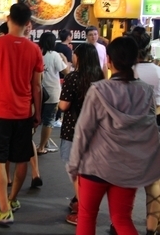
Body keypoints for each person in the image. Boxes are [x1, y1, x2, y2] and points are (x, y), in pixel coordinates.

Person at [68, 37, 160, 235]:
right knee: (122, 219)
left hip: (95, 166)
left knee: (87, 216)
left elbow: (83, 130)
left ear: (109, 60)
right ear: (136, 59)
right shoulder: (146, 91)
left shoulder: (99, 90)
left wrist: (73, 164)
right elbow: (150, 129)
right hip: (127, 170)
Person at [0, 3, 43, 224]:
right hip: (24, 112)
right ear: (28, 23)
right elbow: (37, 86)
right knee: (21, 159)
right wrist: (38, 112)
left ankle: (3, 209)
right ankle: (13, 199)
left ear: (8, 18)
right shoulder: (34, 49)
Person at [59, 43, 105, 226]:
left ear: (81, 58)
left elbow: (64, 105)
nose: (73, 57)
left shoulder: (73, 78)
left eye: (75, 54)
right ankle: (79, 201)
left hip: (74, 130)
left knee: (74, 171)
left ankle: (83, 210)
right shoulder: (101, 78)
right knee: (87, 170)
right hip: (96, 131)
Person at [128, 27, 160, 235]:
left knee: (126, 180)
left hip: (131, 130)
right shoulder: (158, 71)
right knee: (155, 181)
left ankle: (120, 221)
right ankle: (152, 227)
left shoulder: (128, 72)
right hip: (156, 127)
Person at [36, 32, 69, 154]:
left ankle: (33, 145)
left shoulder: (37, 54)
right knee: (49, 120)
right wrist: (64, 59)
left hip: (38, 92)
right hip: (52, 92)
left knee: (35, 119)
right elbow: (66, 72)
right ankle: (42, 147)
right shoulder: (55, 55)